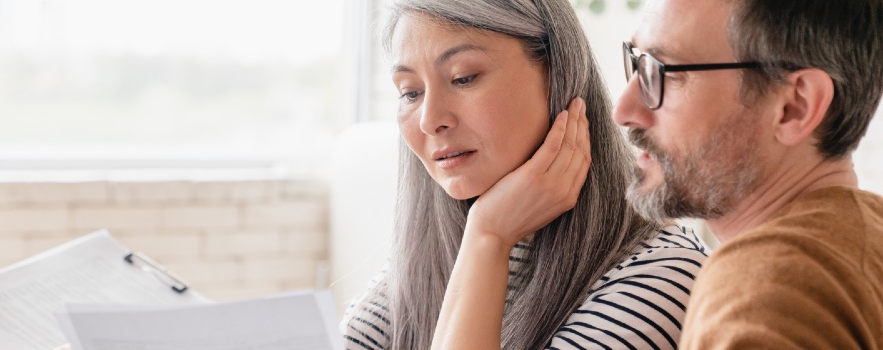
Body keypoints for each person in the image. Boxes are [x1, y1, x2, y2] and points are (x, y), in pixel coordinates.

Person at [342, 0, 709, 349]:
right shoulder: (431, 254)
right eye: (410, 92)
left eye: (464, 78)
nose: (429, 119)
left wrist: (490, 236)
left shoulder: (660, 277)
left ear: (558, 75)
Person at [613, 0, 883, 348]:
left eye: (664, 71)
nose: (623, 110)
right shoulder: (863, 244)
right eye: (636, 63)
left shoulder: (761, 289)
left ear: (794, 107)